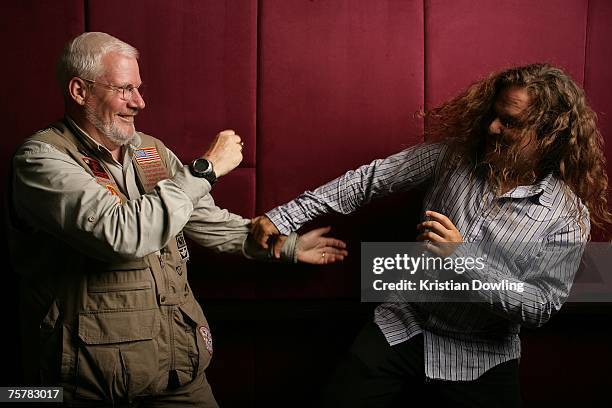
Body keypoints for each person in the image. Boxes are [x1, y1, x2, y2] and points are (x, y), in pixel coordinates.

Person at [7, 32, 347, 407]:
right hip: (87, 381)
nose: (139, 102)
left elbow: (202, 220)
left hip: (176, 367)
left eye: (138, 88)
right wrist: (205, 170)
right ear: (78, 91)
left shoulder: (149, 151)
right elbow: (123, 234)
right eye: (124, 89)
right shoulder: (42, 160)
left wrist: (286, 246)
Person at [252, 63, 612, 407]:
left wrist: (464, 260)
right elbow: (368, 181)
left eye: (510, 122)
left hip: (481, 357)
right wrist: (283, 216)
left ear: (550, 135)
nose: (492, 128)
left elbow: (541, 305)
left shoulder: (566, 216)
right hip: (403, 324)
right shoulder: (453, 158)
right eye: (494, 115)